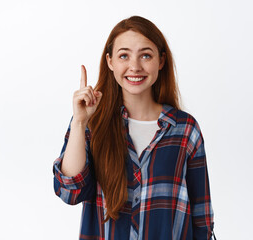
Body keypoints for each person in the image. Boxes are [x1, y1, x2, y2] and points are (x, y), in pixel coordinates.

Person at [53, 15, 215, 240]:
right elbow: (69, 192)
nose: (135, 67)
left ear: (161, 60)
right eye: (124, 56)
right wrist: (80, 122)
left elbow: (202, 217)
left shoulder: (185, 129)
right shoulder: (92, 122)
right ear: (110, 61)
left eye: (146, 55)